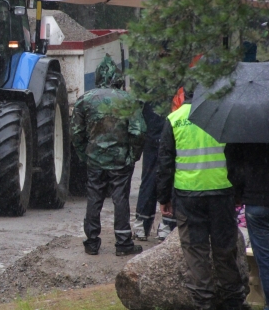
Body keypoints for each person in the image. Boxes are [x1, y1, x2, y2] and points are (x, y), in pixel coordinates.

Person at [156, 86, 246, 310]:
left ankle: (203, 302)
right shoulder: (223, 116)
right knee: (225, 250)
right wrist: (238, 193)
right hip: (221, 193)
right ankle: (233, 301)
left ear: (182, 94)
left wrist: (164, 197)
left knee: (196, 252)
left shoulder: (174, 119)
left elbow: (165, 163)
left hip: (188, 196)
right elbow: (236, 159)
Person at [71, 55, 147, 256]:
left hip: (95, 159)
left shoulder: (85, 100)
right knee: (120, 198)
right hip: (120, 161)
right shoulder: (128, 100)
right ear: (118, 78)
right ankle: (123, 243)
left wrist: (84, 155)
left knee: (94, 197)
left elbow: (76, 133)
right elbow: (139, 132)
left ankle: (92, 242)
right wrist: (133, 155)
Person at [226, 143, 269, 310]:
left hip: (256, 200)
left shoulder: (245, 128)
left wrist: (238, 193)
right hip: (255, 199)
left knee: (265, 260)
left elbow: (233, 164)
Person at [132, 101, 176, 241]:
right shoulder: (178, 81)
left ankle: (141, 225)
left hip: (152, 133)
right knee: (170, 177)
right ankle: (166, 226)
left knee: (149, 178)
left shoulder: (147, 82)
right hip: (170, 131)